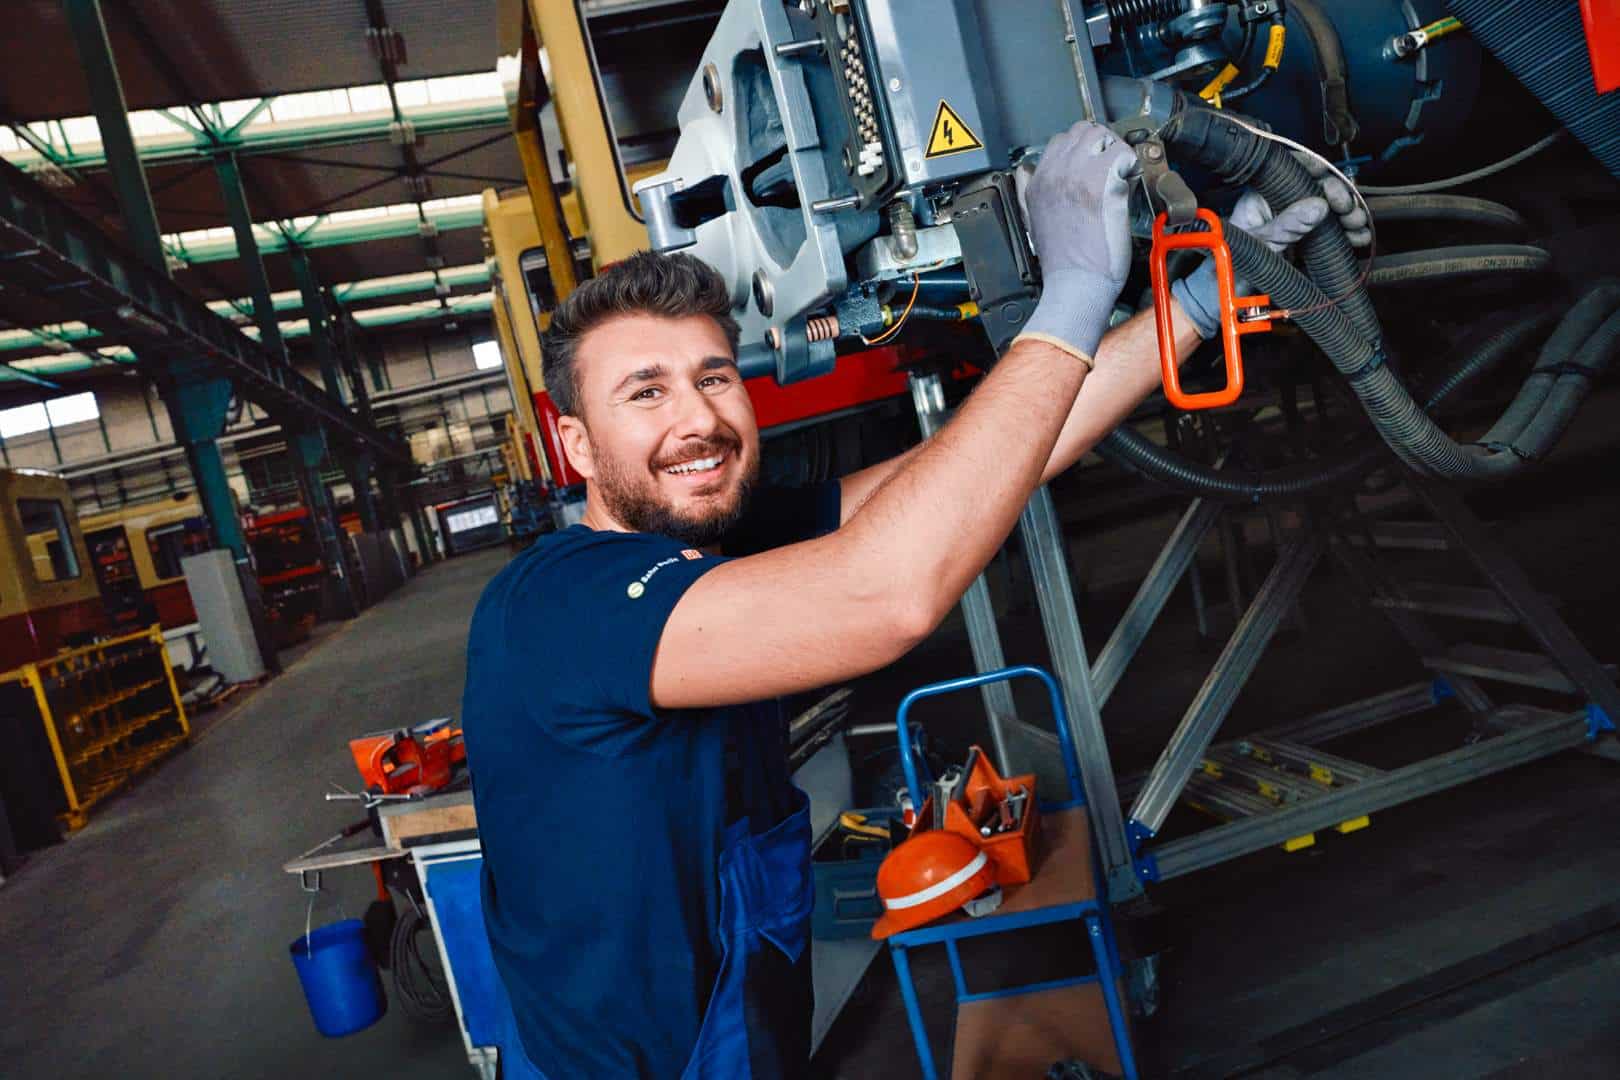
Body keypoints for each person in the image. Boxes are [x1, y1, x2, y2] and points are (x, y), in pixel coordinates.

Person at [461, 120, 1332, 1078]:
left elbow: (975, 471)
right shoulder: (559, 605)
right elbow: (886, 597)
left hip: (745, 1040)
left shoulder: (721, 537)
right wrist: (1072, 296)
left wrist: (1200, 301)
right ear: (578, 449)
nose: (699, 419)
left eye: (715, 377)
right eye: (645, 393)